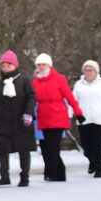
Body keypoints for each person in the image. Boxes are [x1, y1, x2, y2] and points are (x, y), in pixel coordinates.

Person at [32, 53, 83, 181]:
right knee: (46, 146)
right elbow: (32, 99)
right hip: (43, 115)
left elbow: (69, 96)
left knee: (53, 146)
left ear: (49, 65)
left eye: (44, 64)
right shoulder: (35, 82)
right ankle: (59, 172)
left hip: (57, 114)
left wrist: (78, 112)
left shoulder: (59, 79)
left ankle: (52, 173)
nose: (41, 67)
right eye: (39, 65)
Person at [0, 50, 36, 187]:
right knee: (3, 150)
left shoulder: (24, 81)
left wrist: (29, 114)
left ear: (15, 65)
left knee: (23, 150)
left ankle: (24, 177)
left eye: (9, 65)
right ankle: (4, 176)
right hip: (3, 121)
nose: (6, 68)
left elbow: (31, 98)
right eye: (4, 66)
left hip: (21, 121)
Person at [73, 60, 101, 178]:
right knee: (86, 146)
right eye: (86, 70)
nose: (88, 72)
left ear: (96, 71)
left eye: (91, 70)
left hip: (100, 119)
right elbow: (73, 101)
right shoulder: (79, 84)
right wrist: (70, 115)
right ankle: (92, 161)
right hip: (84, 119)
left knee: (97, 144)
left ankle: (99, 168)